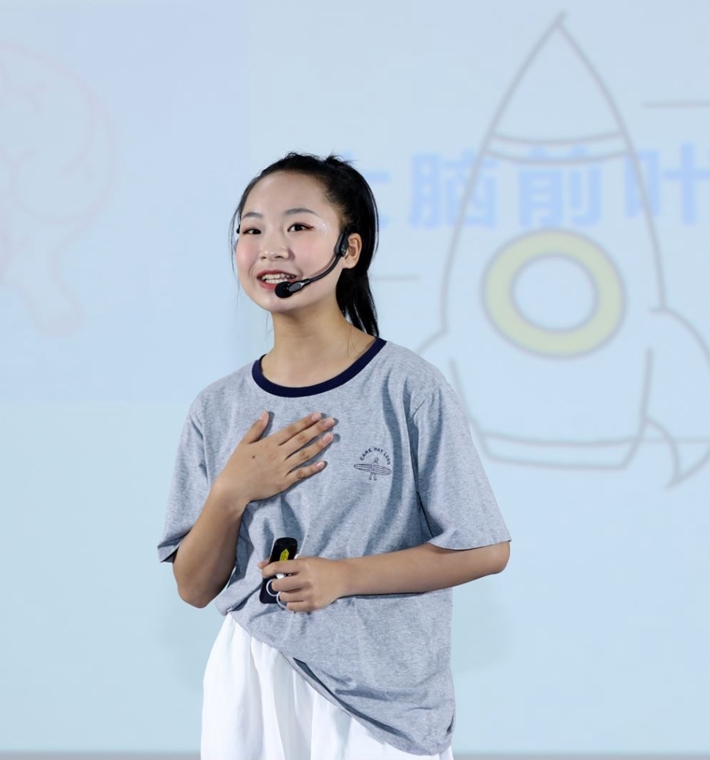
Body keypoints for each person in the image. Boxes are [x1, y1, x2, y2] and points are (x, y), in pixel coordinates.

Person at [157, 152, 511, 759]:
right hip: (255, 675)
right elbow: (194, 587)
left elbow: (485, 548)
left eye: (298, 226)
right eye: (251, 229)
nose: (270, 247)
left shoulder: (407, 385)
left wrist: (343, 577)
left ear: (350, 250)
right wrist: (231, 492)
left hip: (381, 702)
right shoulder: (217, 407)